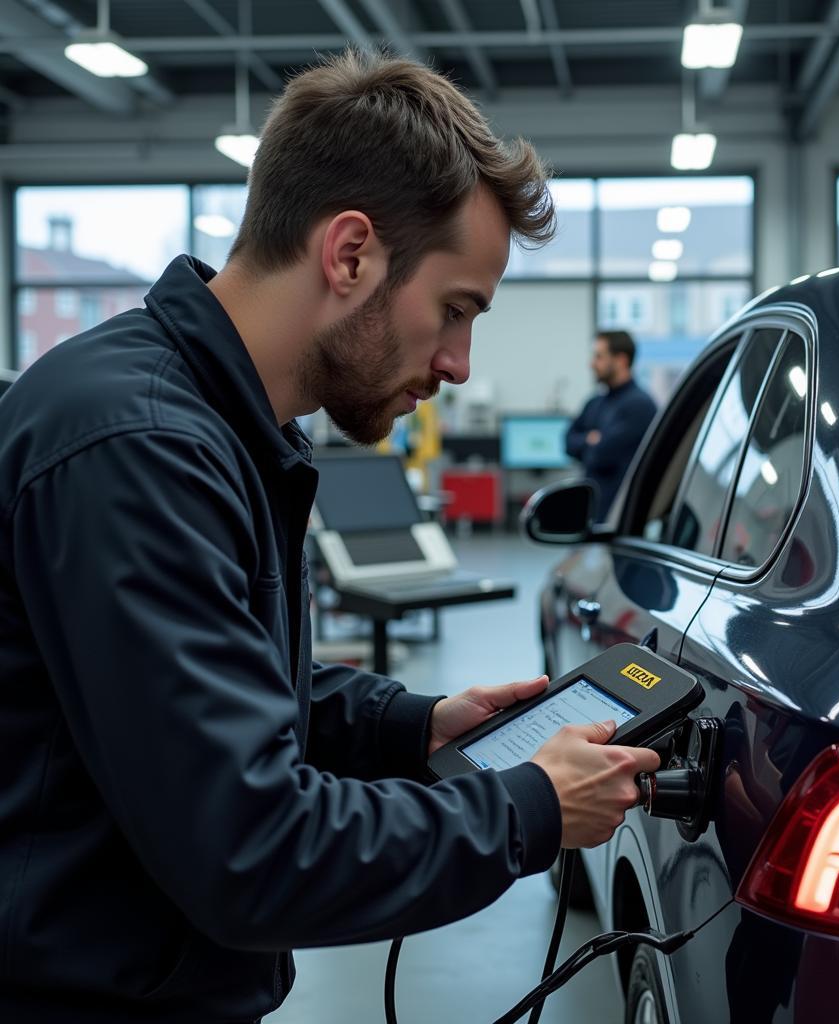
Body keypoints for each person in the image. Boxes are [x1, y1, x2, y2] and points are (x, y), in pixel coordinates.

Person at [0, 52, 659, 1023]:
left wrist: (413, 725)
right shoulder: (141, 449)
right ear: (349, 254)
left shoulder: (217, 426)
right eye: (454, 310)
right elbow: (253, 849)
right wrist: (527, 808)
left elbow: (217, 686)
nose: (459, 363)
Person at [566, 330, 657, 520]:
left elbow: (599, 455)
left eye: (599, 357)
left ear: (621, 360)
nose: (592, 364)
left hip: (620, 518)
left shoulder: (640, 406)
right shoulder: (595, 403)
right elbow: (567, 442)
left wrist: (588, 443)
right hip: (593, 515)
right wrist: (590, 439)